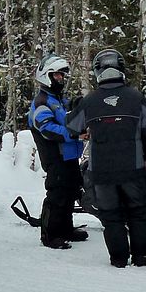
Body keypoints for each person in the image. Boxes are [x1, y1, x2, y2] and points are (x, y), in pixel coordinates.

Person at [67, 49, 146, 267]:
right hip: (133, 167)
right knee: (138, 212)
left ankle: (118, 258)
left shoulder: (89, 101)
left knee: (110, 215)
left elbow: (72, 126)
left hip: (102, 171)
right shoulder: (136, 97)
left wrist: (75, 107)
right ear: (121, 69)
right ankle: (142, 255)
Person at [27, 54, 87, 249]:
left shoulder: (58, 99)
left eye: (62, 76)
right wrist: (74, 134)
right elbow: (46, 128)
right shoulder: (42, 101)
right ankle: (50, 234)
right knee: (57, 193)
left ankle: (66, 228)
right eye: (57, 76)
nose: (61, 79)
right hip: (55, 155)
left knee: (71, 191)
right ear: (47, 76)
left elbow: (68, 114)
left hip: (69, 155)